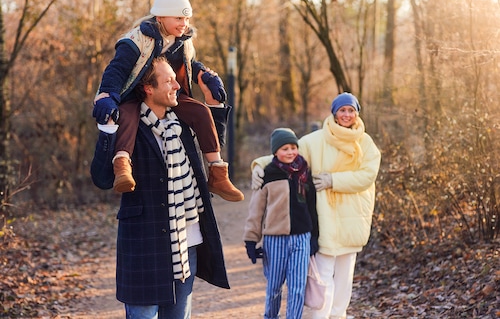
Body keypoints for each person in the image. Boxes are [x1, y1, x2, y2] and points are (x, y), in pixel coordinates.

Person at [90, 57, 230, 318]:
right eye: (168, 81)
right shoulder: (127, 126)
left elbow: (214, 140)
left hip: (186, 243)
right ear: (148, 88)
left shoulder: (183, 125)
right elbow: (102, 178)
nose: (177, 86)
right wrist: (106, 130)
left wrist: (215, 102)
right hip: (144, 245)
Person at [92, 0, 243, 202]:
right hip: (136, 91)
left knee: (200, 111)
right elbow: (117, 69)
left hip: (170, 90)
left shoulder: (183, 42)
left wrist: (204, 75)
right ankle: (122, 166)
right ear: (161, 17)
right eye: (179, 18)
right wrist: (107, 93)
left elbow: (190, 65)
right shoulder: (137, 39)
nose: (184, 24)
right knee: (126, 115)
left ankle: (218, 172)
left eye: (187, 18)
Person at [251, 93, 381, 319]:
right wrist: (259, 166)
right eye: (342, 110)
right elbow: (289, 153)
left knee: (344, 279)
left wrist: (334, 180)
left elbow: (368, 175)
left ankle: (338, 316)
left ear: (357, 113)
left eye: (351, 110)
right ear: (334, 112)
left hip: (353, 216)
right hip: (326, 218)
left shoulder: (366, 143)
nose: (347, 115)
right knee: (322, 276)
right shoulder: (316, 140)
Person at [244, 128, 319, 319]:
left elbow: (312, 208)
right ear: (275, 151)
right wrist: (251, 241)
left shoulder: (304, 172)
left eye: (293, 147)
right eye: (285, 148)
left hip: (302, 237)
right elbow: (256, 211)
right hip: (275, 240)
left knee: (297, 287)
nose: (290, 152)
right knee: (275, 286)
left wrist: (314, 238)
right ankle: (270, 316)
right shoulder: (268, 174)